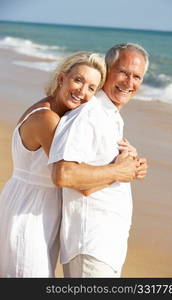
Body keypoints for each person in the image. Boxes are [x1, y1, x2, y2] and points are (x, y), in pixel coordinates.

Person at [0, 51, 107, 277]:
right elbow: (80, 182)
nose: (82, 91)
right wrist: (121, 170)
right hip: (28, 211)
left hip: (42, 211)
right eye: (78, 80)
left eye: (91, 88)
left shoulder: (62, 118)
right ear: (61, 79)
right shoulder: (47, 118)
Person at [48, 43, 149, 278]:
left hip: (107, 246)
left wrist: (131, 168)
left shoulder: (111, 116)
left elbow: (106, 169)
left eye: (137, 77)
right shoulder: (88, 113)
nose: (129, 82)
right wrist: (118, 171)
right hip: (90, 245)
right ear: (107, 71)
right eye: (123, 72)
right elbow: (64, 174)